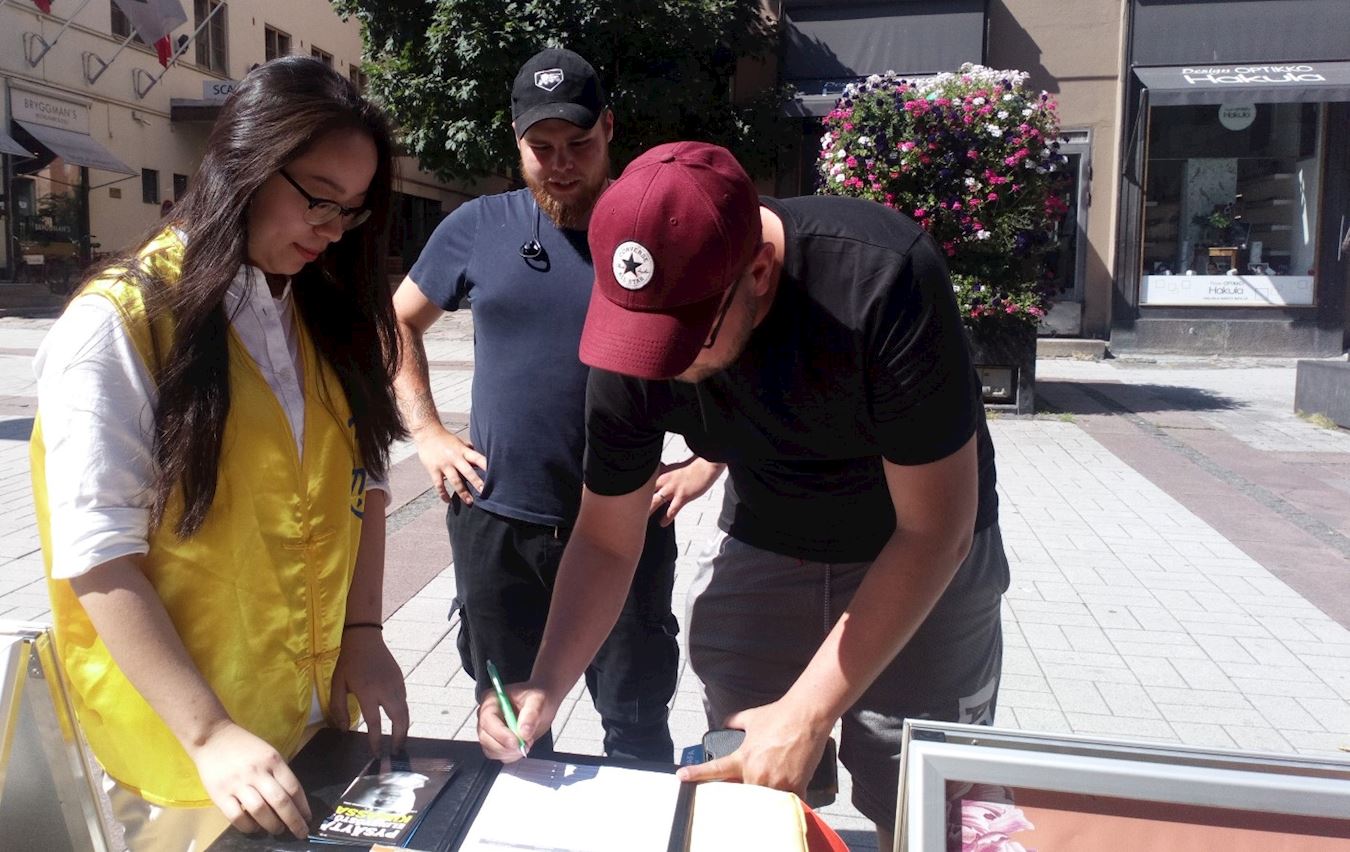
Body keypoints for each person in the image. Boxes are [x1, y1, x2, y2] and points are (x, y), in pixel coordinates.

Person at [478, 141, 1010, 846]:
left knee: (920, 797)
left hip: (914, 545)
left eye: (685, 338)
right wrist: (546, 682)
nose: (658, 364)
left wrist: (809, 713)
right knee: (750, 779)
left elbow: (935, 531)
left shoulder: (881, 274)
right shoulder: (636, 323)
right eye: (642, 335)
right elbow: (606, 536)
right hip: (770, 531)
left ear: (758, 271)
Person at [31, 57, 410, 850]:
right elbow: (98, 554)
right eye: (318, 198)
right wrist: (208, 733)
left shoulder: (317, 313)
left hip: (309, 722)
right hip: (188, 758)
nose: (330, 230)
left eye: (351, 212)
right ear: (244, 163)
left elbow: (365, 481)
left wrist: (365, 629)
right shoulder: (120, 323)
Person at [392, 47, 680, 762]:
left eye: (578, 143)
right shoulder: (478, 226)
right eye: (541, 148)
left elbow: (732, 344)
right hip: (500, 527)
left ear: (609, 127)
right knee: (512, 730)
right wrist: (427, 431)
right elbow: (394, 323)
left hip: (626, 525)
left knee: (637, 727)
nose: (561, 164)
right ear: (516, 140)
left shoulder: (654, 232)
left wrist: (707, 462)